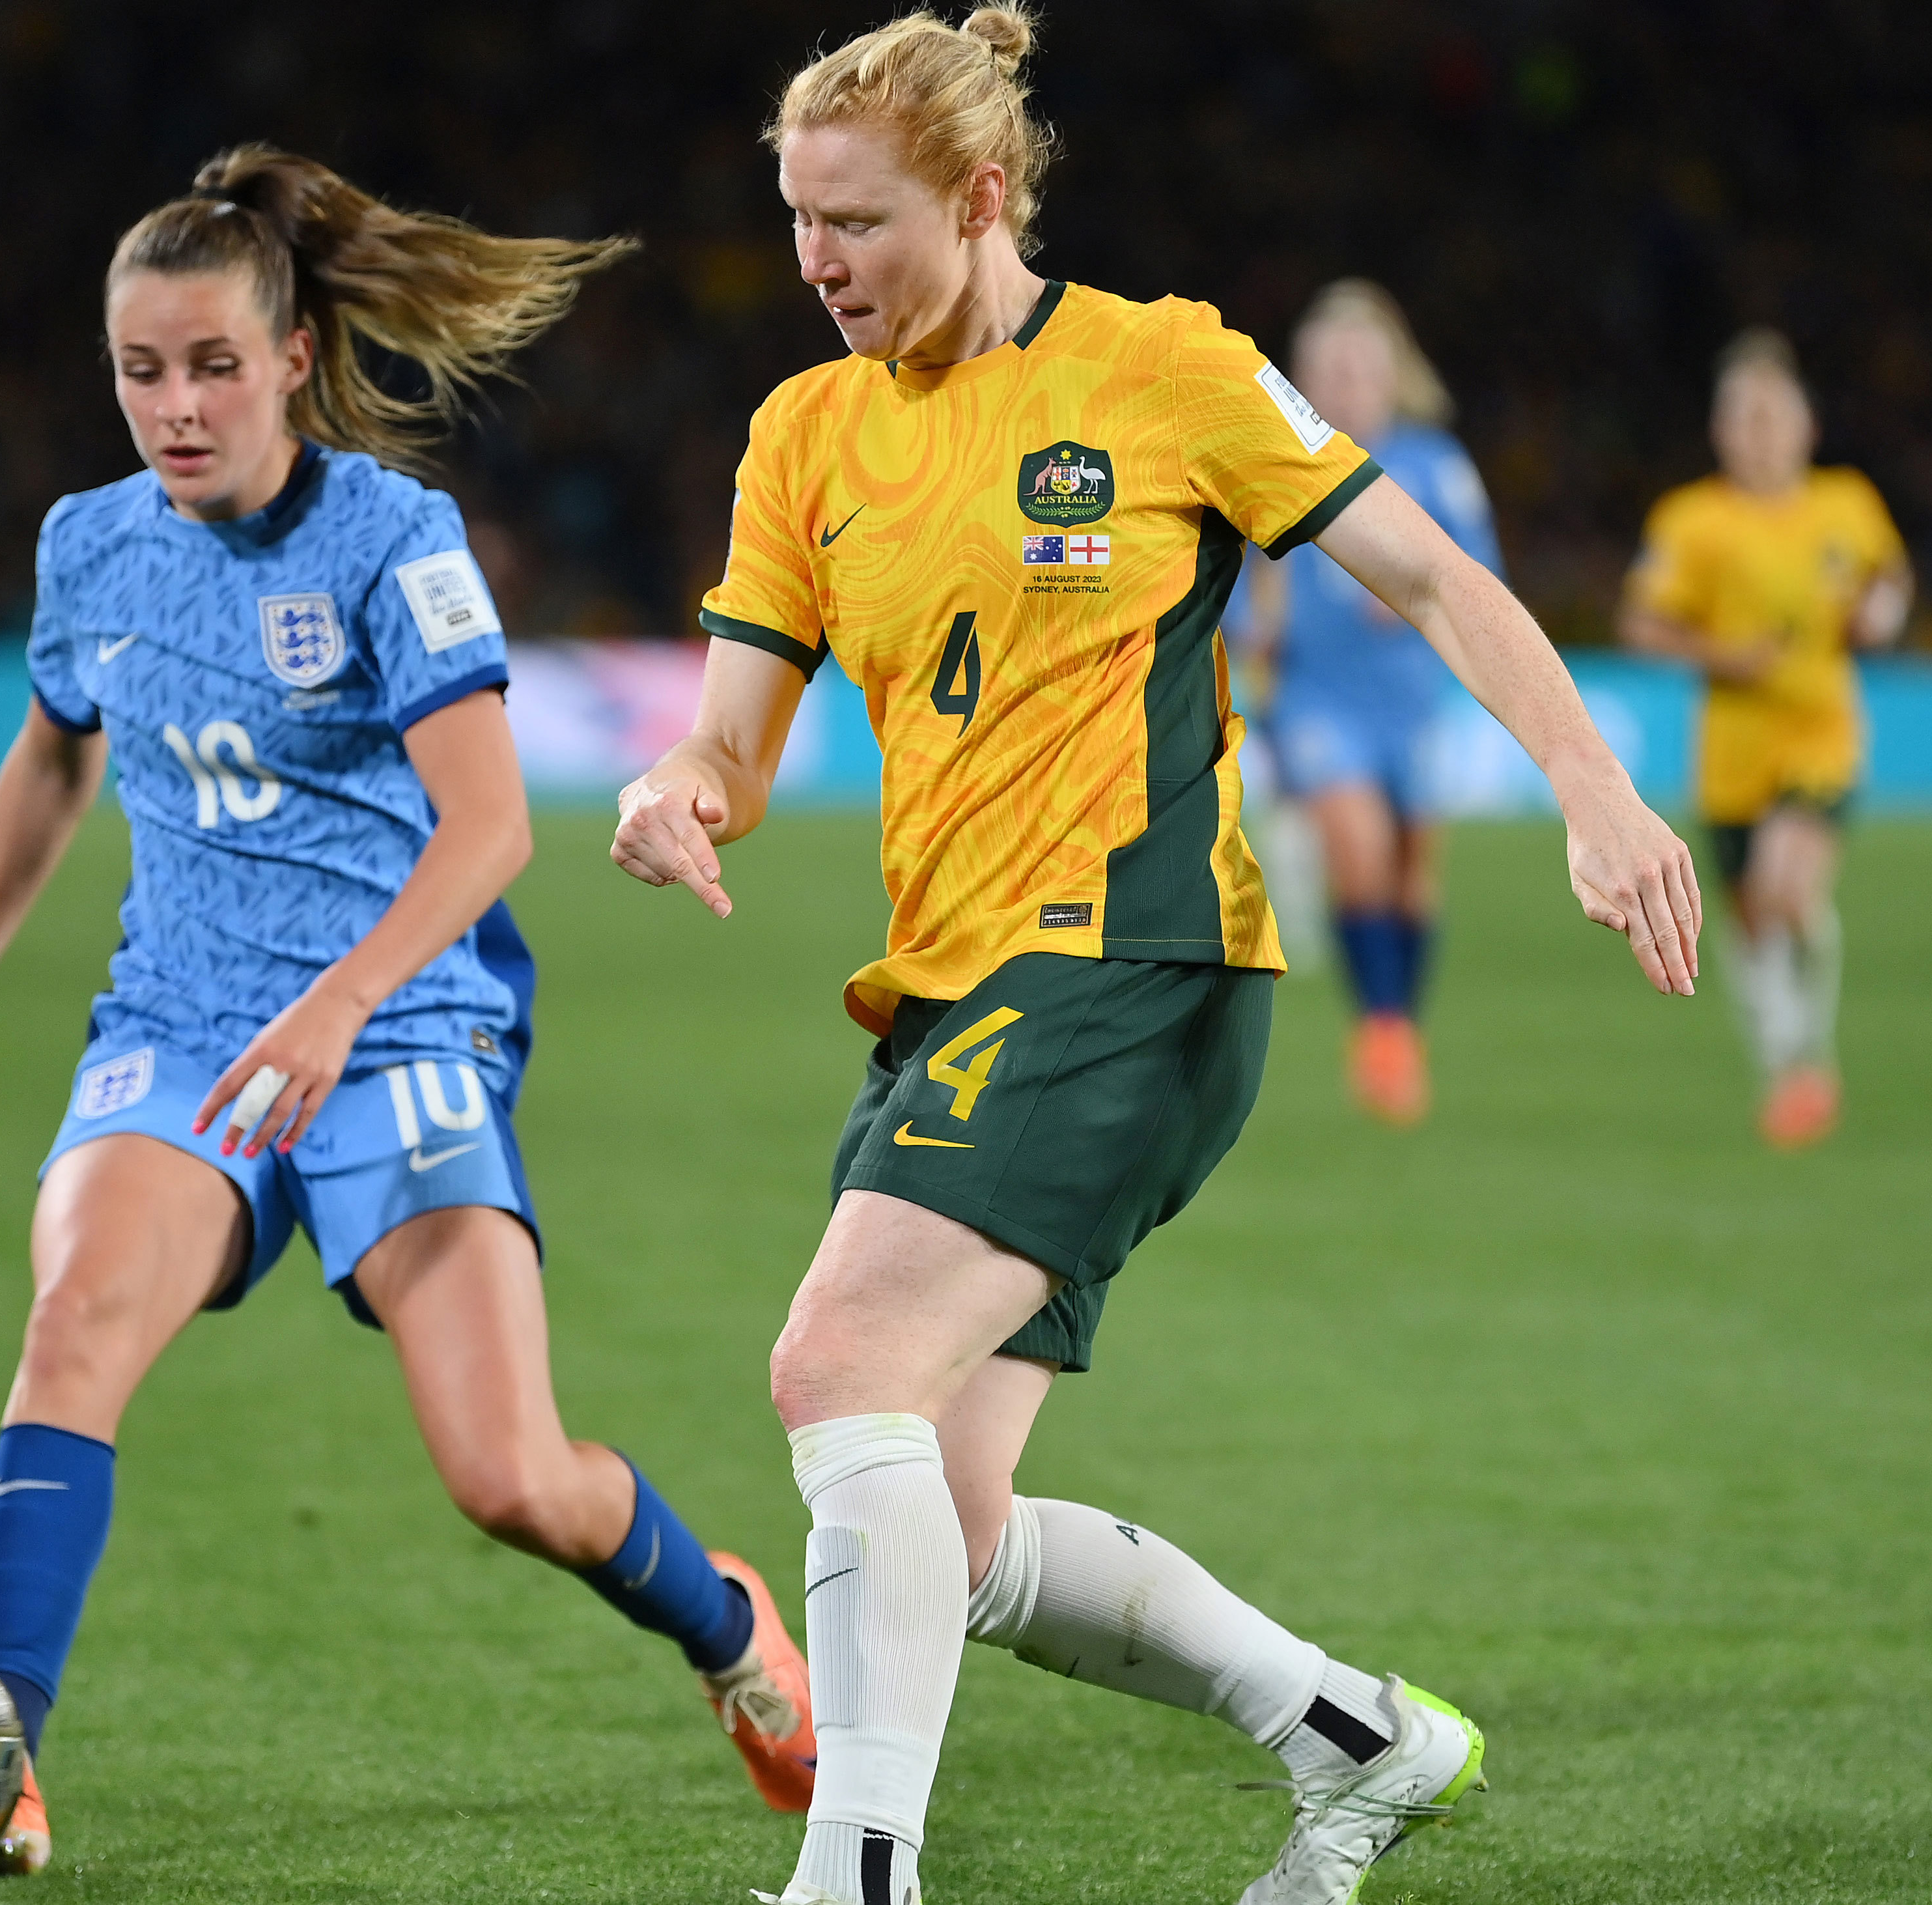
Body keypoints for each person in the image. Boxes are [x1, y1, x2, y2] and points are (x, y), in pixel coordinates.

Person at [606, 16, 1701, 1904]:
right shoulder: (804, 433)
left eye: (853, 221)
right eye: (795, 218)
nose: (815, 262)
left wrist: (1595, 790)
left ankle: (855, 1878)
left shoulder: (1163, 368)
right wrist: (678, 792)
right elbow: (731, 742)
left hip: (1141, 955)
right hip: (958, 990)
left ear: (980, 194)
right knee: (943, 1513)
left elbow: (1432, 572)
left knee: (835, 1358)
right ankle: (1358, 1736)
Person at [0, 145, 817, 1878]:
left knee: (511, 1478)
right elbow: (48, 750)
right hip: (181, 1019)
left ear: (294, 356)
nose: (175, 405)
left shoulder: (394, 539)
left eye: (213, 365)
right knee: (75, 1325)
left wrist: (343, 1002)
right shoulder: (88, 545)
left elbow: (493, 824)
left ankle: (730, 1626)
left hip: (401, 1024)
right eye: (140, 370)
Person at [1617, 331, 1910, 1150]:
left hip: (1819, 731)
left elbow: (1888, 579)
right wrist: (1721, 655)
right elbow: (1639, 623)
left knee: (1787, 887)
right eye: (1742, 417)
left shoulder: (1845, 505)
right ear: (1720, 432)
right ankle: (1787, 1066)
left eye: (1772, 415)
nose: (1759, 431)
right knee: (1750, 922)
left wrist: (1878, 614)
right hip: (1730, 753)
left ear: (1805, 426)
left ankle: (1808, 1063)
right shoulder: (1691, 520)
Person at [1229, 280, 1502, 1125]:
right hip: (1319, 699)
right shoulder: (1278, 461)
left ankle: (1399, 1024)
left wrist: (1421, 593)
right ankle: (1380, 1032)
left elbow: (1477, 567)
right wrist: (1252, 631)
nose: (1346, 382)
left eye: (1360, 366)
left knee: (1414, 878)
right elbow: (1237, 581)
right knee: (1359, 854)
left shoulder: (1431, 466)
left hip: (1411, 702)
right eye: (1330, 367)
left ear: (1391, 375)